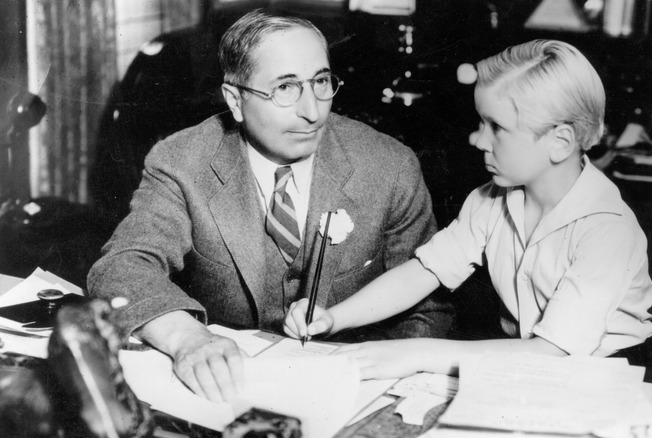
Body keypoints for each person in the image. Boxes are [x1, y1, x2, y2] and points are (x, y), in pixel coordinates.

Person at [87, 10, 452, 402]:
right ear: (236, 100)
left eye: (321, 82)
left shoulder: (389, 165)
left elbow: (428, 310)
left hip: (354, 396)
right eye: (285, 88)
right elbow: (122, 267)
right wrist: (187, 339)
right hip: (226, 396)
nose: (313, 112)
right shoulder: (181, 162)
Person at [284, 39, 652, 380]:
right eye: (481, 123)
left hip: (607, 377)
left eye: (497, 128)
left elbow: (553, 352)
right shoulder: (490, 199)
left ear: (560, 142)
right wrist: (334, 317)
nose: (477, 139)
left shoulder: (607, 230)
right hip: (526, 366)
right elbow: (423, 271)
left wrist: (417, 353)